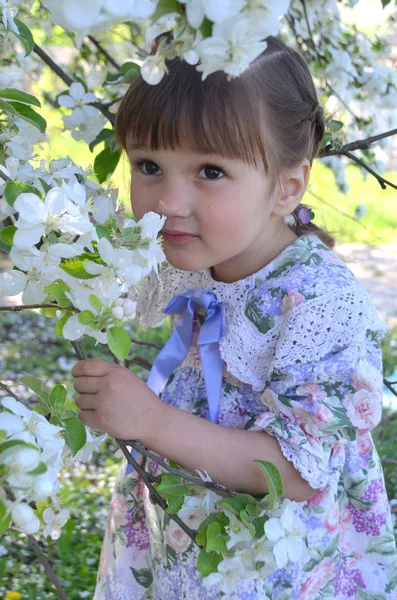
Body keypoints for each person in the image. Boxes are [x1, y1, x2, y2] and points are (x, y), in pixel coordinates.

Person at [71, 36, 397, 599]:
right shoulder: (194, 251)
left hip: (268, 559)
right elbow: (111, 288)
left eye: (211, 172)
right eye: (149, 165)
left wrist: (150, 421)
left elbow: (296, 473)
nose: (169, 200)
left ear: (286, 186)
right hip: (187, 526)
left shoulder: (318, 302)